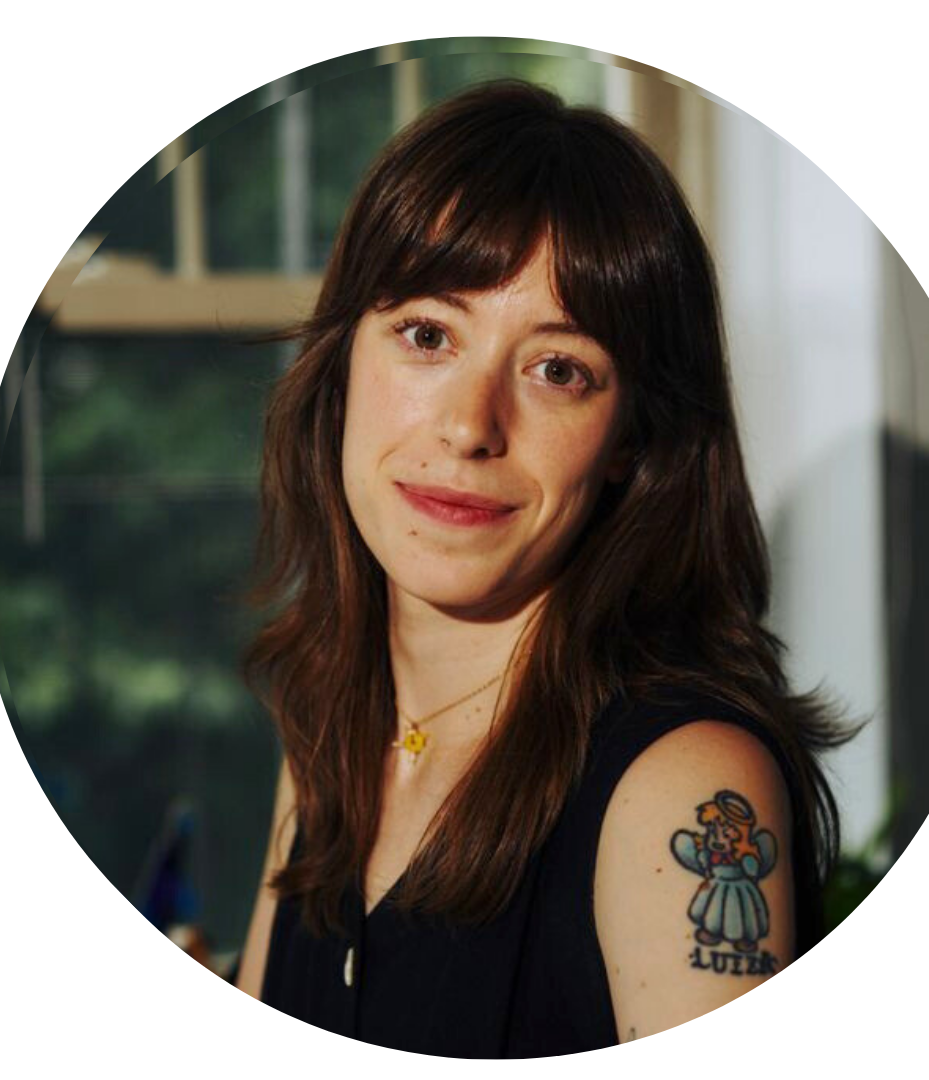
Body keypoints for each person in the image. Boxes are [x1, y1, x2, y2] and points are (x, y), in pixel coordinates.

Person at [235, 79, 846, 1057]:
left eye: (557, 369)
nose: (472, 425)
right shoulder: (331, 728)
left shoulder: (684, 786)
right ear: (342, 358)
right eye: (428, 334)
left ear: (630, 442)